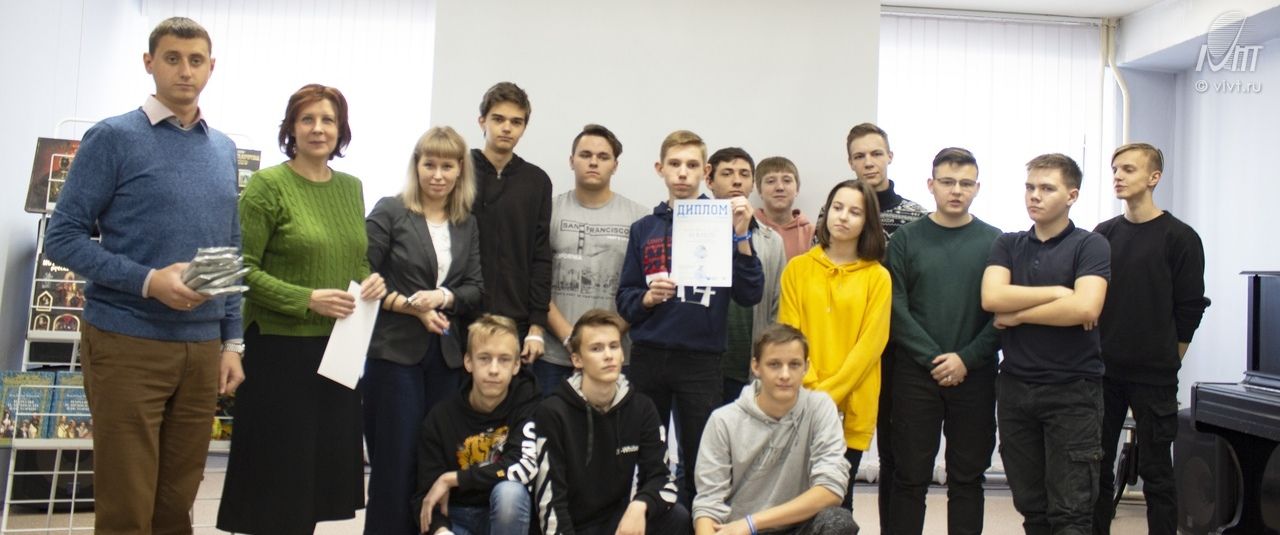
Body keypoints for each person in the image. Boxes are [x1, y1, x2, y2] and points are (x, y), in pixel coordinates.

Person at [42, 17, 245, 534]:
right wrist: (149, 281)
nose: (185, 71)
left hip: (200, 349)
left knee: (176, 504)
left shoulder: (223, 149)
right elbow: (62, 237)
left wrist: (232, 342)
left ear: (211, 68)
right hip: (127, 341)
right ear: (149, 63)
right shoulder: (113, 138)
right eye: (172, 59)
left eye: (195, 61)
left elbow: (229, 249)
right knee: (127, 506)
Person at [217, 83, 386, 534]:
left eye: (328, 120)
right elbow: (241, 269)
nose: (318, 128)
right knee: (279, 485)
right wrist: (305, 298)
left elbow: (354, 259)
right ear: (291, 128)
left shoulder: (351, 188)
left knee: (316, 485)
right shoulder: (268, 186)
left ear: (341, 129)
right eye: (307, 119)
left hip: (337, 352)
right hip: (279, 353)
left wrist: (370, 280)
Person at [616, 130, 764, 506]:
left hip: (701, 359)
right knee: (647, 457)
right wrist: (647, 298)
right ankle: (652, 520)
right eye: (675, 164)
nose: (683, 172)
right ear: (660, 168)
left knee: (702, 461)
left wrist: (741, 237)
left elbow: (750, 294)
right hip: (649, 355)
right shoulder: (644, 229)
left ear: (705, 172)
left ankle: (699, 523)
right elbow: (625, 299)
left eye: (692, 165)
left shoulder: (726, 223)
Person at [363, 125, 486, 534]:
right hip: (394, 353)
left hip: (445, 359)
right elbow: (361, 275)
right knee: (394, 463)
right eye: (429, 164)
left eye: (447, 166)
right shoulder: (391, 211)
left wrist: (443, 297)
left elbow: (475, 288)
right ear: (416, 166)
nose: (437, 175)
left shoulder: (466, 222)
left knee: (433, 460)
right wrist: (411, 307)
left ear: (460, 170)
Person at [981, 153, 1109, 535]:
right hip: (1016, 389)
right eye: (1030, 187)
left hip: (1073, 392)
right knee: (1032, 508)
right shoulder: (1008, 244)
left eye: (1047, 188)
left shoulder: (1091, 245)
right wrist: (1057, 293)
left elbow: (1085, 307)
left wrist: (1018, 315)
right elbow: (992, 297)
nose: (1034, 195)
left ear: (1072, 195)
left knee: (1071, 512)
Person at [1092, 144, 1208, 535]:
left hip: (1154, 376)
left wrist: (1168, 358)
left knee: (1157, 472)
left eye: (1128, 169)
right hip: (1104, 373)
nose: (1118, 176)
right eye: (1115, 169)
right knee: (1096, 466)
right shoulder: (1103, 235)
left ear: (1153, 177)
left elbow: (1190, 309)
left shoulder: (1180, 238)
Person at [887, 148, 1001, 535]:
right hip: (915, 375)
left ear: (977, 188)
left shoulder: (996, 242)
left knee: (967, 478)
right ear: (931, 185)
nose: (956, 191)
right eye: (948, 182)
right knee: (909, 476)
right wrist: (935, 359)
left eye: (966, 183)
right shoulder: (906, 239)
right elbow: (895, 307)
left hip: (975, 374)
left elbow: (1002, 315)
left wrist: (966, 359)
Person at [778, 179, 891, 511]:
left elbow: (871, 345)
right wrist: (813, 391)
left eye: (855, 212)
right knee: (793, 499)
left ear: (867, 222)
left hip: (852, 404)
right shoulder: (798, 269)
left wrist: (828, 395)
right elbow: (789, 336)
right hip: (800, 398)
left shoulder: (877, 277)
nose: (843, 217)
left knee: (838, 499)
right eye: (837, 208)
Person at [533, 309, 690, 535]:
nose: (608, 355)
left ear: (623, 354)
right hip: (571, 527)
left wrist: (640, 505)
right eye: (596, 348)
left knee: (676, 518)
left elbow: (662, 477)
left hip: (618, 524)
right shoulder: (552, 412)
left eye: (614, 346)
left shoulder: (641, 407)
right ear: (576, 359)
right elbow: (551, 501)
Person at [693, 324, 857, 535]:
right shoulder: (723, 420)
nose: (785, 375)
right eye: (774, 364)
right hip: (739, 530)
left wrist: (752, 522)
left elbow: (831, 489)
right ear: (756, 367)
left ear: (806, 367)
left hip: (793, 527)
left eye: (794, 364)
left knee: (838, 521)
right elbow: (708, 505)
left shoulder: (820, 408)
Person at [844, 122, 927, 532]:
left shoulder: (916, 217)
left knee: (896, 453)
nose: (869, 162)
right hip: (848, 348)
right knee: (842, 454)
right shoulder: (838, 211)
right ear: (850, 162)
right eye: (860, 156)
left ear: (890, 156)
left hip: (898, 350)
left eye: (876, 153)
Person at [540, 124, 648, 396]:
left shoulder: (639, 218)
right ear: (571, 160)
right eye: (585, 155)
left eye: (603, 157)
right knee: (550, 423)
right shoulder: (548, 211)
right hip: (555, 355)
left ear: (615, 165)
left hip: (615, 355)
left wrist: (605, 339)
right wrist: (570, 338)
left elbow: (643, 290)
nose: (593, 162)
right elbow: (535, 281)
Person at [415, 314, 539, 535]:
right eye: (484, 358)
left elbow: (523, 465)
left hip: (504, 516)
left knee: (510, 493)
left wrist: (454, 479)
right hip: (456, 518)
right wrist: (441, 531)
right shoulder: (440, 417)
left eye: (504, 359)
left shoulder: (529, 406)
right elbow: (427, 492)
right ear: (468, 362)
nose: (493, 369)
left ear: (517, 365)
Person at [469, 81, 554, 364]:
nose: (507, 128)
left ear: (524, 127)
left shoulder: (537, 181)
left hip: (516, 320)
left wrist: (537, 326)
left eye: (516, 122)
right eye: (498, 119)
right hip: (461, 314)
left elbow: (540, 256)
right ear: (482, 121)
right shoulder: (458, 171)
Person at [705, 147, 786, 404]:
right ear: (709, 180)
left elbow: (776, 304)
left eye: (744, 174)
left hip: (747, 361)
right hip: (700, 360)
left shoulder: (772, 240)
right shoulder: (691, 232)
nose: (737, 181)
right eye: (727, 173)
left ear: (752, 184)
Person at [753, 156, 815, 260]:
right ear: (759, 190)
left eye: (787, 180)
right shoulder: (747, 229)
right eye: (771, 181)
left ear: (797, 189)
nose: (780, 187)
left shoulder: (813, 234)